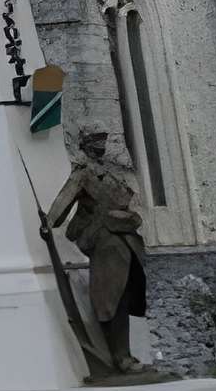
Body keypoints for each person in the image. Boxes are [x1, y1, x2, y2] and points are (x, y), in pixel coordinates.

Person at [42, 127, 148, 374]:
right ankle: (120, 358)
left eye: (103, 141)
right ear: (87, 146)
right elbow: (64, 201)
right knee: (111, 300)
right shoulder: (84, 174)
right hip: (105, 244)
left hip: (125, 242)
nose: (102, 146)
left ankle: (124, 354)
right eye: (97, 142)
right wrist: (48, 222)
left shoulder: (107, 173)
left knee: (123, 298)